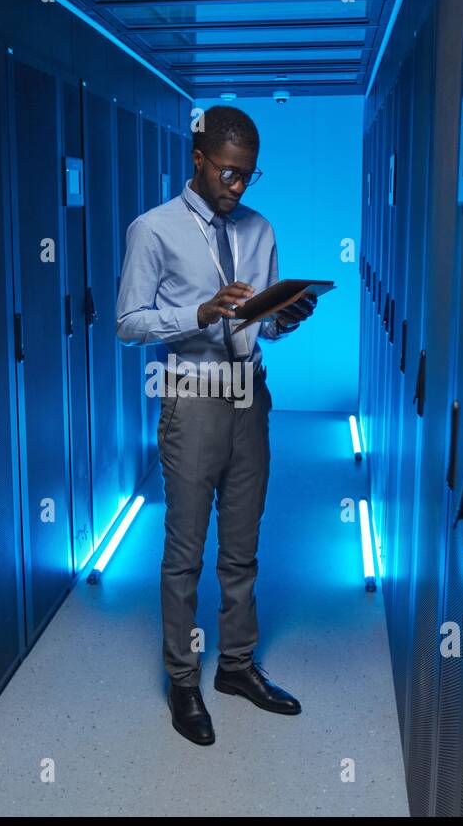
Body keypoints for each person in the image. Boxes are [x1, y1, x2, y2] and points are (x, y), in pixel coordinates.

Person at [115, 105, 317, 745]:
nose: (236, 187)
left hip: (249, 394)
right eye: (228, 173)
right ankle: (182, 679)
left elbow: (262, 323)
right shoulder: (153, 230)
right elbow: (127, 324)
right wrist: (199, 312)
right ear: (198, 158)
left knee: (242, 546)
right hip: (192, 395)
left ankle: (235, 667)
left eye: (247, 177)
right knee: (185, 553)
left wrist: (286, 317)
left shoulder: (261, 228)